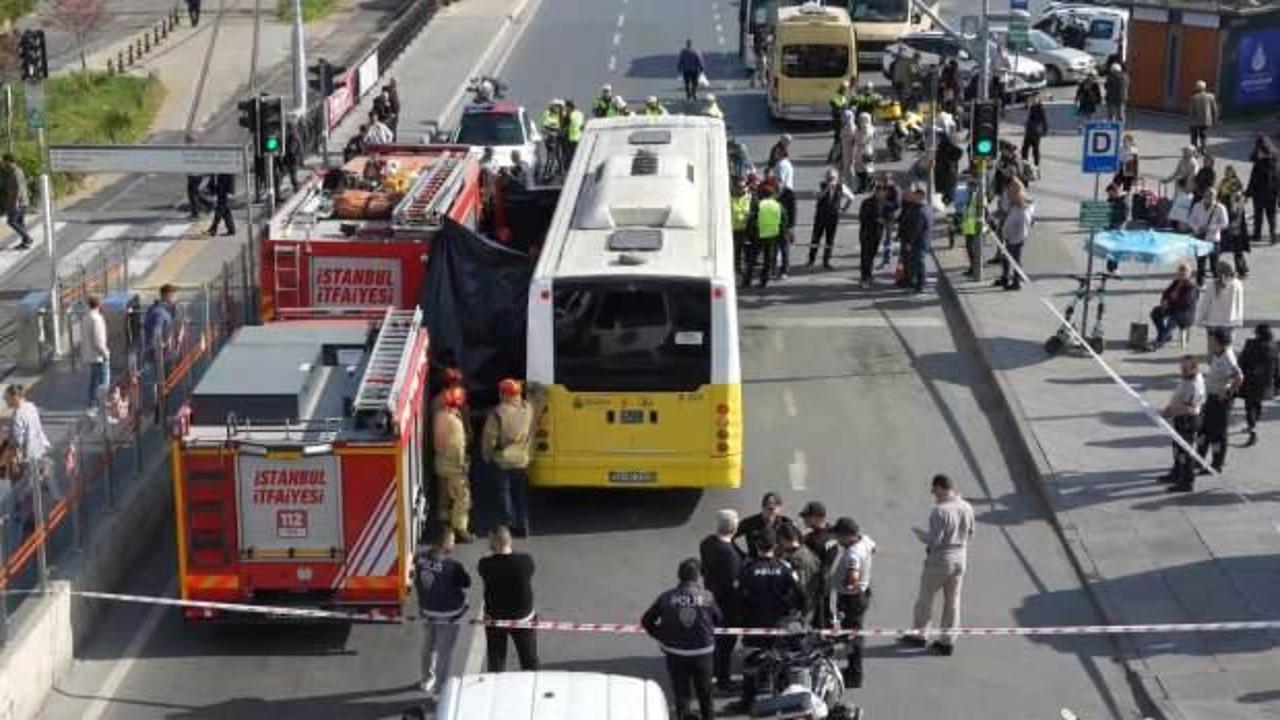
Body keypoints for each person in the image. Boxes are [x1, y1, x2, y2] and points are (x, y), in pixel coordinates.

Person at [724, 528, 804, 715]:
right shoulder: (785, 568)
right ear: (775, 546)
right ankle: (784, 701)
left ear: (758, 546)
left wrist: (741, 618)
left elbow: (737, 598)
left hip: (754, 626)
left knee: (751, 663)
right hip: (779, 624)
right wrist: (795, 612)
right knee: (781, 662)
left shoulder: (747, 569)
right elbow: (801, 594)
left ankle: (748, 702)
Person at [899, 474, 974, 656]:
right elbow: (971, 532)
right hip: (960, 558)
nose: (934, 494)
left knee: (925, 598)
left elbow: (935, 540)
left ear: (941, 487)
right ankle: (947, 641)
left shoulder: (940, 511)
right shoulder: (966, 506)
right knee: (953, 601)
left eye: (934, 490)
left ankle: (920, 634)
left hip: (940, 560)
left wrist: (920, 534)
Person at [642, 558, 720, 720]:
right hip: (703, 653)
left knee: (682, 695)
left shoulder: (665, 598)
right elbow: (719, 618)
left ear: (679, 576)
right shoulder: (707, 597)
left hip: (675, 654)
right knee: (705, 694)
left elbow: (647, 621)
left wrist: (662, 635)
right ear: (698, 577)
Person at [414, 527, 471, 698]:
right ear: (444, 543)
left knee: (427, 647)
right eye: (452, 540)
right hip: (449, 614)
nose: (454, 543)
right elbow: (466, 583)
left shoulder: (419, 558)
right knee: (444, 653)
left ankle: (426, 680)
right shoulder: (452, 566)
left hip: (427, 610)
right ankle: (439, 690)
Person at [477, 526, 538, 671]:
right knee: (529, 659)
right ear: (510, 541)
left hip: (495, 619)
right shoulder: (525, 561)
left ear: (495, 543)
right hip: (523, 619)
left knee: (496, 660)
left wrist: (491, 555)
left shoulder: (485, 564)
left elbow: (484, 568)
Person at [480, 379, 533, 537]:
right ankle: (524, 526)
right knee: (520, 496)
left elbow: (489, 439)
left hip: (503, 460)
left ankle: (508, 527)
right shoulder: (527, 408)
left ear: (503, 393)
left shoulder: (498, 412)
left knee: (504, 494)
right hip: (522, 459)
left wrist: (487, 456)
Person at [699, 509, 744, 690]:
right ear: (734, 527)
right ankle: (722, 679)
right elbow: (734, 582)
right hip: (727, 604)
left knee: (716, 640)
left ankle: (714, 672)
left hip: (711, 596)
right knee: (726, 643)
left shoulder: (707, 543)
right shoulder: (730, 554)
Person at [1190, 329, 1242, 482]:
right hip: (1209, 397)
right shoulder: (1218, 354)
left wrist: (1227, 391)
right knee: (1203, 430)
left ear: (1218, 342)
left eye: (1212, 340)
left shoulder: (1228, 357)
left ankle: (1216, 464)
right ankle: (1199, 459)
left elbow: (1239, 376)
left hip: (1219, 401)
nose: (1210, 343)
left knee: (1217, 433)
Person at [832, 516, 875, 688]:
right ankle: (852, 670)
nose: (838, 540)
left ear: (849, 536)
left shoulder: (853, 554)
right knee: (853, 634)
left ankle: (854, 675)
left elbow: (853, 577)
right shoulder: (864, 540)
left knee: (853, 637)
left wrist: (846, 584)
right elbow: (874, 547)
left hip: (851, 599)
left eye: (839, 536)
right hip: (861, 595)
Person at [1159, 356, 1205, 490]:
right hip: (1180, 418)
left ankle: (1187, 481)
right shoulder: (1188, 378)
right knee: (1177, 449)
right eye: (1181, 368)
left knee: (1185, 452)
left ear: (1194, 368)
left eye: (1185, 368)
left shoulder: (1194, 385)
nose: (1182, 371)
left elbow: (1188, 408)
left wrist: (1168, 413)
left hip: (1187, 421)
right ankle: (1176, 473)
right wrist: (1169, 408)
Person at [433, 385, 472, 543]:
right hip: (454, 467)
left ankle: (445, 525)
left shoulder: (439, 416)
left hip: (441, 464)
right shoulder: (455, 422)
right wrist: (463, 465)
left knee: (444, 497)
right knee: (462, 499)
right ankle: (461, 529)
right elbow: (458, 447)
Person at [798, 501, 838, 628]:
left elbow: (824, 567)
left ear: (818, 518)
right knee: (823, 614)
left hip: (817, 584)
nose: (804, 520)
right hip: (822, 582)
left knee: (819, 616)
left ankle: (823, 639)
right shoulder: (829, 532)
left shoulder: (819, 540)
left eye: (807, 517)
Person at [1238, 324, 1279, 446]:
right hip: (1265, 383)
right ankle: (1254, 423)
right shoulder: (1274, 347)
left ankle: (1253, 429)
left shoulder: (1250, 344)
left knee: (1249, 407)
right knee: (1257, 403)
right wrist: (1277, 383)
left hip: (1250, 380)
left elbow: (1242, 361)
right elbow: (1276, 367)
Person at [776, 522, 820, 621]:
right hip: (808, 606)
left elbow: (801, 587)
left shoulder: (796, 559)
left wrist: (799, 609)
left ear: (782, 539)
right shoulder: (809, 553)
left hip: (798, 610)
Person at [1149, 262, 1199, 349]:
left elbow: (1186, 302)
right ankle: (1163, 334)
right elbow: (1166, 293)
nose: (1182, 275)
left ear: (1189, 274)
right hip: (1172, 308)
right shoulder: (1176, 282)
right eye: (1180, 273)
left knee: (1172, 321)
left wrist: (1170, 303)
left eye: (1184, 273)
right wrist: (1164, 301)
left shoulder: (1191, 287)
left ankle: (1159, 342)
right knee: (1156, 312)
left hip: (1184, 313)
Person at [1196, 260, 1243, 350]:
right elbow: (1239, 305)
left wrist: (1199, 320)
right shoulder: (1238, 284)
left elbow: (1204, 305)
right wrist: (1239, 321)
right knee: (1227, 350)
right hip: (1230, 322)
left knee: (1212, 350)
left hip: (1213, 323)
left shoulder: (1211, 285)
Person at [733, 491, 796, 558]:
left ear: (780, 508)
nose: (768, 511)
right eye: (765, 507)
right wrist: (741, 555)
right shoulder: (750, 523)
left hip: (778, 563)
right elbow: (729, 537)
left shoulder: (786, 523)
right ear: (762, 507)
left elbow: (795, 543)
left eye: (772, 509)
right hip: (755, 562)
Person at [744, 182, 783, 288]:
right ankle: (764, 281)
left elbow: (752, 220)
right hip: (772, 235)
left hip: (759, 234)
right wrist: (782, 235)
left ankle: (747, 280)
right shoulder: (777, 205)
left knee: (752, 259)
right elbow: (783, 220)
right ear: (772, 194)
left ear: (762, 194)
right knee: (767, 260)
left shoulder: (759, 204)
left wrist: (748, 235)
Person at [996, 179, 1031, 291]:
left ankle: (1016, 282)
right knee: (1008, 258)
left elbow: (1010, 224)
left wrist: (1004, 233)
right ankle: (1006, 277)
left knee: (1015, 260)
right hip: (1014, 237)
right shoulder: (1020, 207)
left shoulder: (1019, 210)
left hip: (1015, 238)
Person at [1187, 190, 1228, 287]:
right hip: (1200, 238)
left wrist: (1211, 228)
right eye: (1207, 196)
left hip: (1213, 239)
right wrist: (1197, 228)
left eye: (1212, 196)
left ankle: (1217, 284)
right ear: (1204, 196)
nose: (1209, 198)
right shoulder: (1197, 206)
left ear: (1215, 197)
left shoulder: (1220, 208)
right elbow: (1191, 220)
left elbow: (1225, 223)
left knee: (1215, 265)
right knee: (1201, 263)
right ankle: (1200, 283)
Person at [1246, 134, 1279, 246]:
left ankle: (1268, 235)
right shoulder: (1269, 159)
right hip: (1266, 192)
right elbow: (1251, 161)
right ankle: (1262, 234)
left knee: (1266, 214)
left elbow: (1256, 177)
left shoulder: (1270, 161)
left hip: (1265, 192)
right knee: (1264, 214)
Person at [808, 168, 843, 270]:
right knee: (816, 238)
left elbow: (851, 196)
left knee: (830, 239)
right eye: (829, 178)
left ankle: (826, 261)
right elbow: (818, 196)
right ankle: (811, 260)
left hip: (833, 217)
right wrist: (827, 188)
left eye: (832, 178)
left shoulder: (840, 186)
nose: (830, 180)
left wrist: (843, 208)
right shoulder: (821, 185)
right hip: (820, 216)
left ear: (837, 178)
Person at [899, 185, 930, 294]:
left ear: (921, 196)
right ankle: (916, 283)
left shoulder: (920, 211)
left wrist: (909, 243)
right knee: (916, 263)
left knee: (918, 263)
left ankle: (920, 285)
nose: (913, 197)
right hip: (920, 241)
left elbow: (916, 229)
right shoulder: (922, 207)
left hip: (918, 242)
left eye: (916, 196)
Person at [81, 296, 110, 408]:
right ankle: (102, 405)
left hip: (90, 355)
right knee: (103, 383)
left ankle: (92, 402)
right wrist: (105, 353)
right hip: (99, 356)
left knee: (94, 380)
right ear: (99, 305)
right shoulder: (96, 319)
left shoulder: (86, 317)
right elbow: (98, 342)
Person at [771, 151, 796, 280]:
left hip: (785, 226)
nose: (777, 183)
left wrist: (792, 227)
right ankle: (772, 268)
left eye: (779, 180)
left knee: (784, 248)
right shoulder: (773, 194)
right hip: (774, 224)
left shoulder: (789, 194)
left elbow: (793, 211)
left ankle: (784, 270)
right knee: (773, 247)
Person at [2, 154, 32, 250]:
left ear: (9, 161)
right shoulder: (15, 171)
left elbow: (18, 189)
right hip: (22, 202)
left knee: (11, 221)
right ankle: (25, 243)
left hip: (18, 203)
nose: (3, 163)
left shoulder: (16, 172)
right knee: (20, 222)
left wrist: (15, 203)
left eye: (5, 161)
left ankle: (27, 238)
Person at [858, 184, 885, 288]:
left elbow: (888, 215)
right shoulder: (867, 202)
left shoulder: (884, 203)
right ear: (876, 192)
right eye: (879, 192)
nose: (881, 194)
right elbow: (862, 217)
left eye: (882, 192)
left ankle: (868, 275)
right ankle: (864, 278)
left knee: (872, 255)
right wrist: (876, 220)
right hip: (866, 233)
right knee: (865, 256)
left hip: (877, 234)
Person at [729, 176, 751, 280]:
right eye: (739, 186)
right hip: (732, 230)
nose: (741, 188)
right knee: (735, 251)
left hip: (745, 229)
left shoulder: (748, 197)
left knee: (747, 252)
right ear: (734, 187)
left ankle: (746, 273)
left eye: (743, 186)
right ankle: (736, 269)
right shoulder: (729, 198)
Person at [1188, 79, 1218, 152]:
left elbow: (1191, 111)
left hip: (1194, 121)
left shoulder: (1193, 97)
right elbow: (1214, 109)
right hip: (1206, 121)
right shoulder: (1211, 96)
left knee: (1194, 137)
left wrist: (1190, 120)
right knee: (1203, 136)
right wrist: (1215, 119)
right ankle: (1203, 149)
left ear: (1196, 88)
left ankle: (1194, 151)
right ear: (1204, 87)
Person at [1022, 94, 1048, 168]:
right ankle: (1025, 163)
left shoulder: (1041, 109)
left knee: (1035, 149)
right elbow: (1029, 118)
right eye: (1032, 99)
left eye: (1035, 99)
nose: (1033, 101)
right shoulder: (1031, 107)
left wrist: (1045, 130)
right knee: (1024, 148)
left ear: (1038, 100)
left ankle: (1036, 165)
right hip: (1029, 131)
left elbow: (1044, 120)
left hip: (1036, 132)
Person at [853, 112, 876, 195]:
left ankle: (864, 187)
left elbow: (861, 140)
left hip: (864, 151)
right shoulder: (870, 127)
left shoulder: (866, 129)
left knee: (864, 170)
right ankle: (869, 185)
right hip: (865, 150)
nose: (859, 121)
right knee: (864, 169)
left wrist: (856, 135)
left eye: (861, 119)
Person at [828, 81, 849, 148]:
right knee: (838, 137)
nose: (845, 89)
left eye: (846, 88)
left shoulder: (846, 95)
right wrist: (841, 105)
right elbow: (833, 102)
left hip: (844, 119)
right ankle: (835, 153)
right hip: (838, 118)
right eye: (844, 88)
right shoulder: (836, 95)